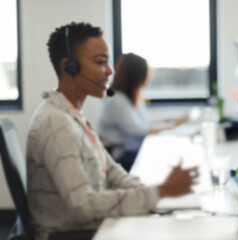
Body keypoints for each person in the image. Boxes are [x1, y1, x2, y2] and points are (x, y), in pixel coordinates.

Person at [26, 22, 198, 240]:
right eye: (101, 62)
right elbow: (82, 205)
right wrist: (160, 193)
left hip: (87, 225)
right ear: (70, 66)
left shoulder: (74, 114)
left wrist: (145, 189)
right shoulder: (57, 124)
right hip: (72, 234)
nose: (110, 71)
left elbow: (113, 170)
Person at [98, 53, 188, 172]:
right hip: (120, 156)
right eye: (146, 73)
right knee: (161, 161)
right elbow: (138, 131)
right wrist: (172, 126)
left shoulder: (130, 97)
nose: (149, 77)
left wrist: (172, 120)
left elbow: (147, 122)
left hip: (130, 151)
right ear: (137, 76)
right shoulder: (117, 100)